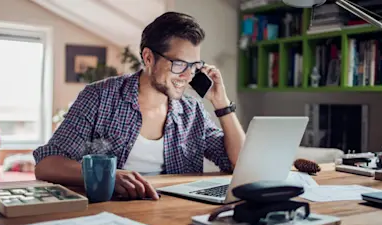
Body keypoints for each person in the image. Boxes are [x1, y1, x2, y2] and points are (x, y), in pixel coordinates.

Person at [33, 11, 246, 200]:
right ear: (148, 57)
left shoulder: (192, 111)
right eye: (180, 64)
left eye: (194, 66)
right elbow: (47, 165)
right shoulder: (100, 97)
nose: (187, 75)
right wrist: (110, 175)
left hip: (174, 214)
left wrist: (222, 104)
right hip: (108, 213)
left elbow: (240, 163)